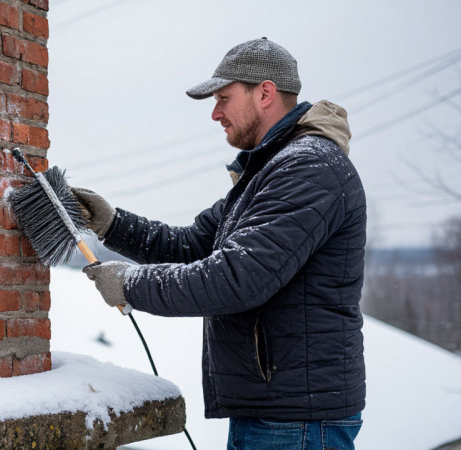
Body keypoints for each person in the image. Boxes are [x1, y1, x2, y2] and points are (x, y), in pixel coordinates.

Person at [74, 38, 366, 449]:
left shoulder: (308, 167)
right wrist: (112, 224)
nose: (215, 114)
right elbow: (193, 245)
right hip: (277, 412)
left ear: (265, 93)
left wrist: (131, 284)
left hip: (297, 422)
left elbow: (236, 279)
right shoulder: (269, 172)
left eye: (224, 99)